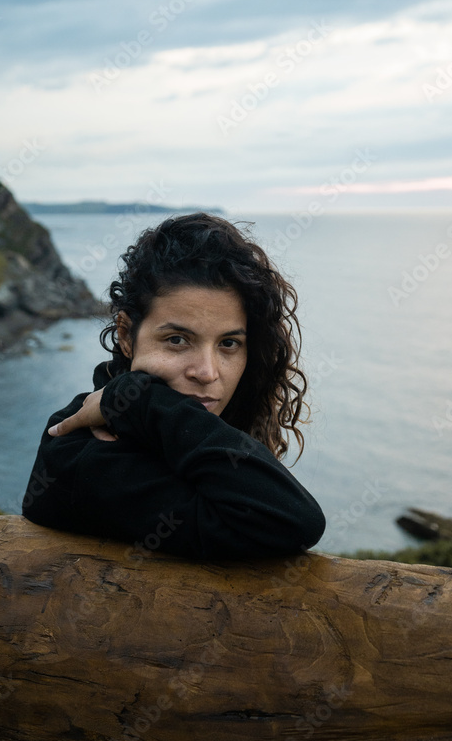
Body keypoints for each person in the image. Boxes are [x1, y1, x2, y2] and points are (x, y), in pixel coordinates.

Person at [21, 212, 325, 561]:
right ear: (125, 335)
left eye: (228, 344)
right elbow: (292, 520)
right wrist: (137, 400)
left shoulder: (183, 429)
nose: (207, 372)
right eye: (177, 339)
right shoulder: (79, 449)